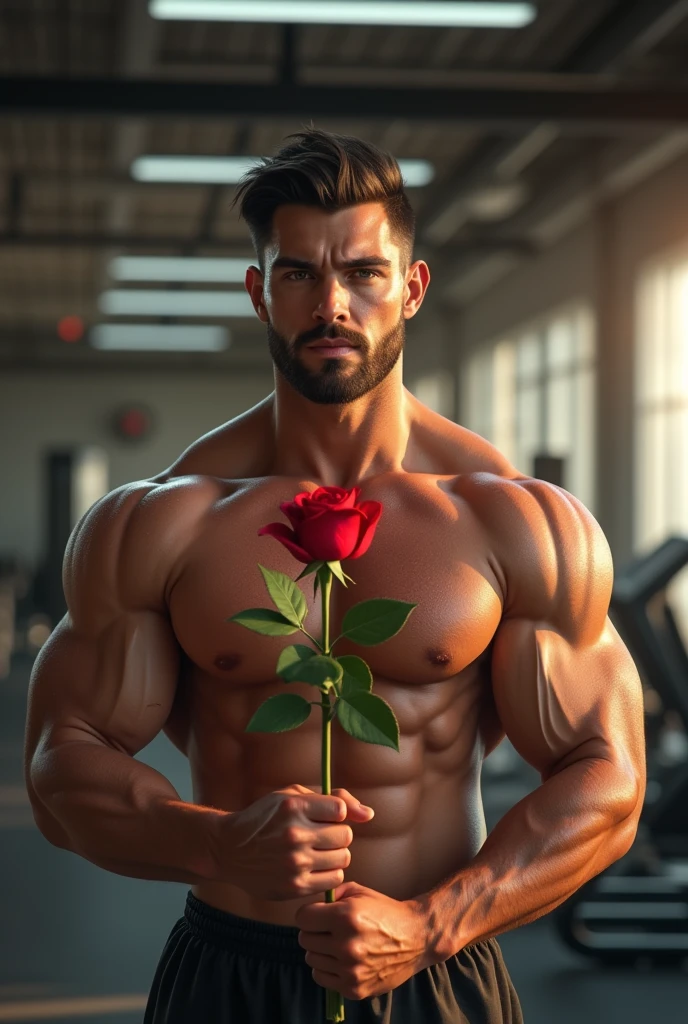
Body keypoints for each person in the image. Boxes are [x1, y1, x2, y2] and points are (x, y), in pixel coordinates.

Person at [24, 128, 646, 1023]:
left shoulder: (516, 521)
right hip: (228, 970)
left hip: (436, 965)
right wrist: (219, 847)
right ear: (258, 293)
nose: (332, 305)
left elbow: (611, 781)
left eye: (362, 272)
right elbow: (60, 766)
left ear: (412, 288)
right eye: (298, 275)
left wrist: (434, 924)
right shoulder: (160, 520)